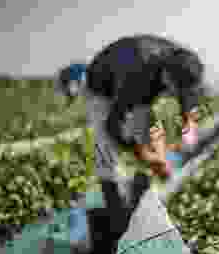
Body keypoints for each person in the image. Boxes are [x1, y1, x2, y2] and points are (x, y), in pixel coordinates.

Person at [56, 35, 204, 240]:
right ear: (167, 76)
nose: (176, 93)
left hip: (140, 84)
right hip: (102, 85)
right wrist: (146, 156)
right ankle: (116, 218)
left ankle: (145, 190)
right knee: (106, 151)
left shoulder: (184, 66)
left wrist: (189, 131)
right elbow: (113, 126)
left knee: (150, 130)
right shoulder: (137, 75)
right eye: (174, 88)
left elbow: (188, 103)